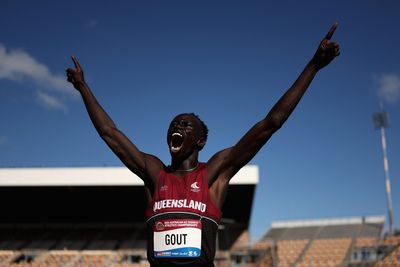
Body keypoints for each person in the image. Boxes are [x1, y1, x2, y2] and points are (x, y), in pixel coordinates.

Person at [66, 23, 340, 267]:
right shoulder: (153, 172)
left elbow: (270, 123)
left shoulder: (214, 174)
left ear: (201, 141)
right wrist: (83, 88)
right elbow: (109, 133)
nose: (177, 127)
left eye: (185, 125)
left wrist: (313, 66)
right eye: (173, 124)